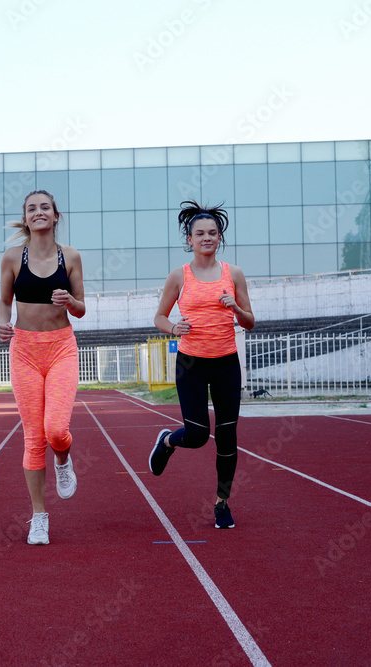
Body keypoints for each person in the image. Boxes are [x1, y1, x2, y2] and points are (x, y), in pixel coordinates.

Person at [149, 200, 255, 529]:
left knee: (226, 437)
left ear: (219, 237)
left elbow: (250, 321)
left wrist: (235, 307)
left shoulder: (233, 273)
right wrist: (173, 328)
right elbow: (159, 317)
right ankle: (167, 441)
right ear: (190, 239)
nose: (207, 237)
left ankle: (222, 502)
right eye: (200, 233)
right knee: (196, 435)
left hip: (226, 364)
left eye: (212, 232)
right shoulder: (178, 276)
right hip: (192, 363)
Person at [0, 190, 86, 545]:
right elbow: (4, 303)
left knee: (55, 430)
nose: (38, 212)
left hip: (61, 348)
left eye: (44, 207)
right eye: (31, 208)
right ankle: (39, 517)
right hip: (25, 352)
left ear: (55, 215)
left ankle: (63, 459)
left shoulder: (72, 257)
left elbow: (81, 309)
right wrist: (2, 324)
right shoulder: (11, 258)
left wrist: (70, 300)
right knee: (33, 438)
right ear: (26, 217)